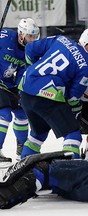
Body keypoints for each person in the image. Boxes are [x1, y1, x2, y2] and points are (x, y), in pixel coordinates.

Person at [18, 28, 88, 159]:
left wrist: (33, 70)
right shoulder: (86, 66)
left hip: (25, 90)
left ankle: (22, 166)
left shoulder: (61, 39)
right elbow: (74, 96)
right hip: (47, 96)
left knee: (38, 133)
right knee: (73, 135)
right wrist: (75, 112)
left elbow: (30, 48)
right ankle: (72, 173)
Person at [0, 18, 40, 162]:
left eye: (35, 37)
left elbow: (24, 71)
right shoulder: (4, 37)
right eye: (30, 36)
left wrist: (20, 87)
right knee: (4, 114)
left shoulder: (30, 51)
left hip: (9, 84)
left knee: (22, 114)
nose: (33, 39)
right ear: (21, 34)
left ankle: (21, 149)